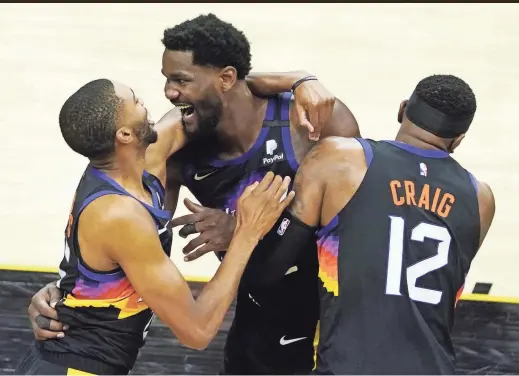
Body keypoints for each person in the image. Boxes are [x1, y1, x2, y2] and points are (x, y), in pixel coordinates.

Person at [27, 14, 360, 375]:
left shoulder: (314, 122)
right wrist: (71, 290)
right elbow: (192, 323)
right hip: (253, 316)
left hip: (329, 317)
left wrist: (300, 79)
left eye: (180, 80)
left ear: (226, 78)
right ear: (126, 136)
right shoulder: (163, 153)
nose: (167, 95)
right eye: (161, 85)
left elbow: (359, 239)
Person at [15, 78, 296, 375]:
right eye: (136, 102)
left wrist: (299, 81)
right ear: (124, 134)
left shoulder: (138, 161)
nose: (147, 104)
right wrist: (247, 232)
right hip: (73, 367)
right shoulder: (119, 216)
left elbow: (210, 94)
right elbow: (197, 331)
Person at [267, 74, 496, 374]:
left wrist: (241, 231)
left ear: (402, 110)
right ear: (458, 140)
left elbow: (273, 264)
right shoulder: (481, 199)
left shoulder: (341, 157)